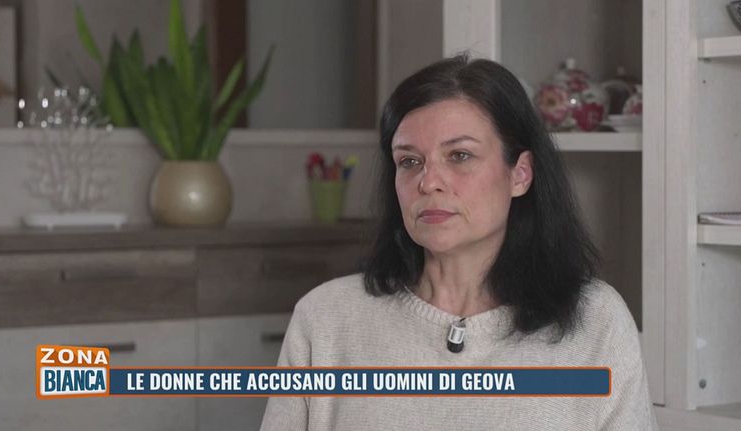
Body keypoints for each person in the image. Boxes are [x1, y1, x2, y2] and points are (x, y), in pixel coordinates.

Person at [260, 55, 658, 430]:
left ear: (520, 174)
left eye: (460, 155)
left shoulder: (597, 322)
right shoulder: (325, 319)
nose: (428, 182)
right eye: (409, 161)